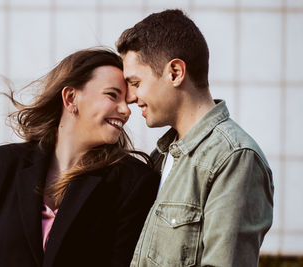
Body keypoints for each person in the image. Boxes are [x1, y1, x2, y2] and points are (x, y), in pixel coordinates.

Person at [0, 48, 160, 267]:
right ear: (70, 98)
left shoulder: (133, 182)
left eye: (127, 101)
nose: (126, 110)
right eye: (112, 95)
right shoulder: (4, 164)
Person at [116, 9, 274, 266]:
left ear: (175, 72)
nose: (130, 97)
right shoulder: (162, 156)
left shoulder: (234, 158)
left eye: (135, 82)